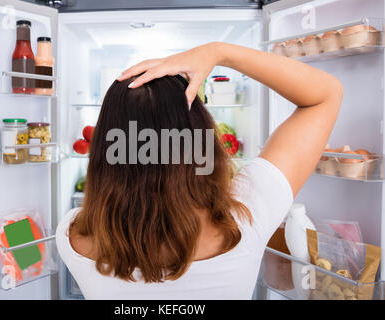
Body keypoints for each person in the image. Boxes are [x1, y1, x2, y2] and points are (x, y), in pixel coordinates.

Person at [56, 42, 343, 299]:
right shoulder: (248, 214)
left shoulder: (71, 236)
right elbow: (325, 95)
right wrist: (218, 52)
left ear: (107, 146)